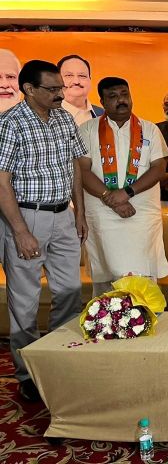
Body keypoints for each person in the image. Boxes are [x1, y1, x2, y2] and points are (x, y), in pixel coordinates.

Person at [0, 60, 88, 402]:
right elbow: (2, 181)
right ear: (29, 89)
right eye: (52, 89)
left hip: (63, 217)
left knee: (69, 294)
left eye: (60, 88)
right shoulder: (11, 124)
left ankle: (61, 362)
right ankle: (27, 373)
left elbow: (74, 167)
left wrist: (79, 212)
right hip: (26, 218)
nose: (59, 94)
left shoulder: (64, 118)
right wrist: (20, 231)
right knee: (25, 302)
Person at [78, 77, 168, 296]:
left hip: (141, 215)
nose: (121, 100)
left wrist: (127, 193)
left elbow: (159, 167)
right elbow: (81, 170)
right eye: (113, 96)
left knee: (143, 273)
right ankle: (105, 321)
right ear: (101, 101)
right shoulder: (87, 130)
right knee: (106, 277)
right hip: (103, 214)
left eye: (125, 94)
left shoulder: (149, 129)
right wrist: (110, 197)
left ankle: (145, 320)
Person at [56, 55, 103, 125]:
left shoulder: (104, 115)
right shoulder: (45, 116)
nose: (76, 81)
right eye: (69, 75)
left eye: (82, 76)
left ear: (90, 80)